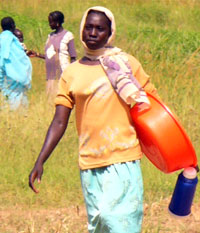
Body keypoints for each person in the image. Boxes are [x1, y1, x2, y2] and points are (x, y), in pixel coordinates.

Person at [29, 6, 158, 233]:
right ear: (81, 30)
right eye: (89, 27)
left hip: (123, 159)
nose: (93, 32)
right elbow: (59, 122)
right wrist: (40, 160)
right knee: (99, 226)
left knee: (119, 223)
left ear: (110, 33)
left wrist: (177, 153)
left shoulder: (126, 65)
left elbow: (155, 109)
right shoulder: (71, 73)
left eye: (100, 29)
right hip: (89, 164)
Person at [30, 11, 77, 96]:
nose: (49, 24)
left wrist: (72, 75)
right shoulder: (50, 36)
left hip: (62, 73)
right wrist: (37, 54)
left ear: (58, 22)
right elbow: (50, 55)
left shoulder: (68, 35)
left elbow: (73, 57)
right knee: (50, 99)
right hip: (50, 75)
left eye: (51, 22)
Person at [0, 17, 32, 110]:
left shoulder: (1, 38)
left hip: (3, 76)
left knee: (5, 98)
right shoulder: (13, 40)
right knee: (17, 100)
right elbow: (21, 59)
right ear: (12, 25)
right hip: (14, 76)